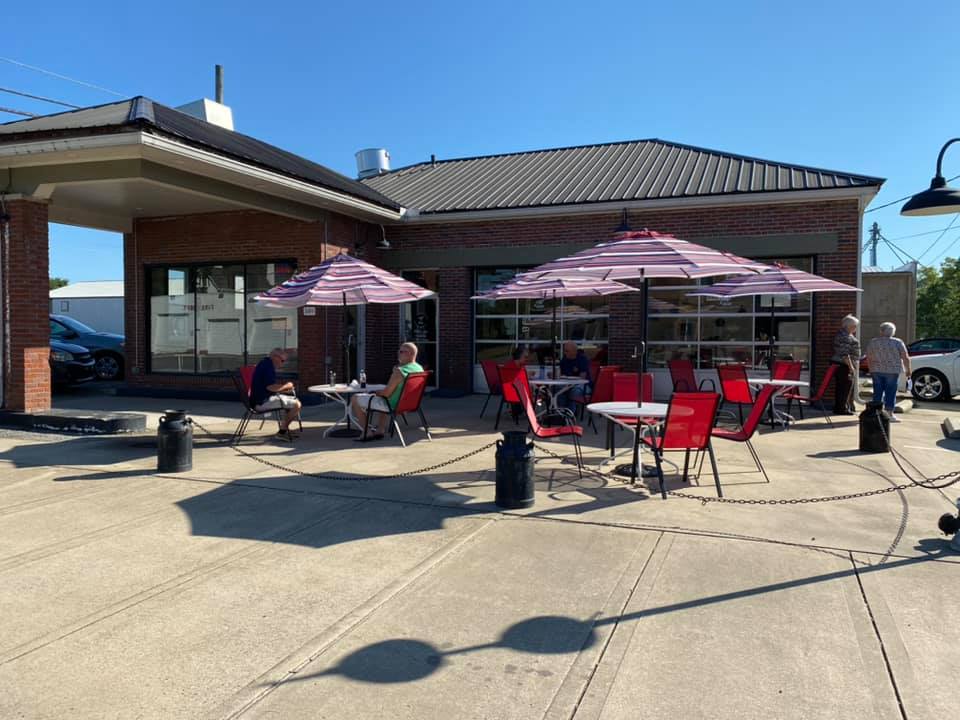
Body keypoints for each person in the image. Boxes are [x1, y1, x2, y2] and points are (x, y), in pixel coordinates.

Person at [350, 342, 423, 440]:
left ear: (410, 354)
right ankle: (380, 429)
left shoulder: (399, 372)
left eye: (402, 352)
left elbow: (386, 394)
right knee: (382, 396)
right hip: (408, 404)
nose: (398, 353)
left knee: (355, 398)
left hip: (392, 405)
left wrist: (375, 393)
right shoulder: (419, 368)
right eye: (399, 351)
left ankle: (367, 432)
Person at [249, 348, 302, 441]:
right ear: (275, 357)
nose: (282, 364)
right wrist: (287, 385)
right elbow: (271, 387)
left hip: (261, 399)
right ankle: (282, 433)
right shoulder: (268, 367)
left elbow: (268, 387)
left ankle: (284, 428)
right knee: (297, 405)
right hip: (261, 402)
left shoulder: (265, 364)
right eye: (282, 360)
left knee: (289, 402)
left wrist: (283, 390)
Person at [866, 322, 911, 422]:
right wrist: (908, 370)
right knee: (890, 392)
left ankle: (876, 414)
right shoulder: (897, 342)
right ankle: (889, 414)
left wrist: (870, 368)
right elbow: (905, 357)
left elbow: (868, 357)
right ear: (893, 332)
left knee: (877, 392)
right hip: (892, 370)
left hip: (876, 370)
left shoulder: (873, 342)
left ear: (881, 331)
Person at [831, 315, 860, 415]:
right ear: (848, 326)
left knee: (844, 387)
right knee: (844, 387)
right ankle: (841, 408)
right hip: (843, 365)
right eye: (854, 326)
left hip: (843, 364)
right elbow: (844, 354)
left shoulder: (846, 335)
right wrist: (851, 367)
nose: (856, 328)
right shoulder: (844, 336)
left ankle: (843, 407)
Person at [557, 341, 590, 411]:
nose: (565, 353)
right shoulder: (564, 359)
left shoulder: (582, 359)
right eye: (564, 351)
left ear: (574, 351)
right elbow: (560, 374)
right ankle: (561, 412)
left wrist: (569, 379)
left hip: (584, 385)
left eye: (567, 351)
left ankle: (571, 413)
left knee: (574, 391)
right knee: (558, 390)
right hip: (567, 384)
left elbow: (582, 377)